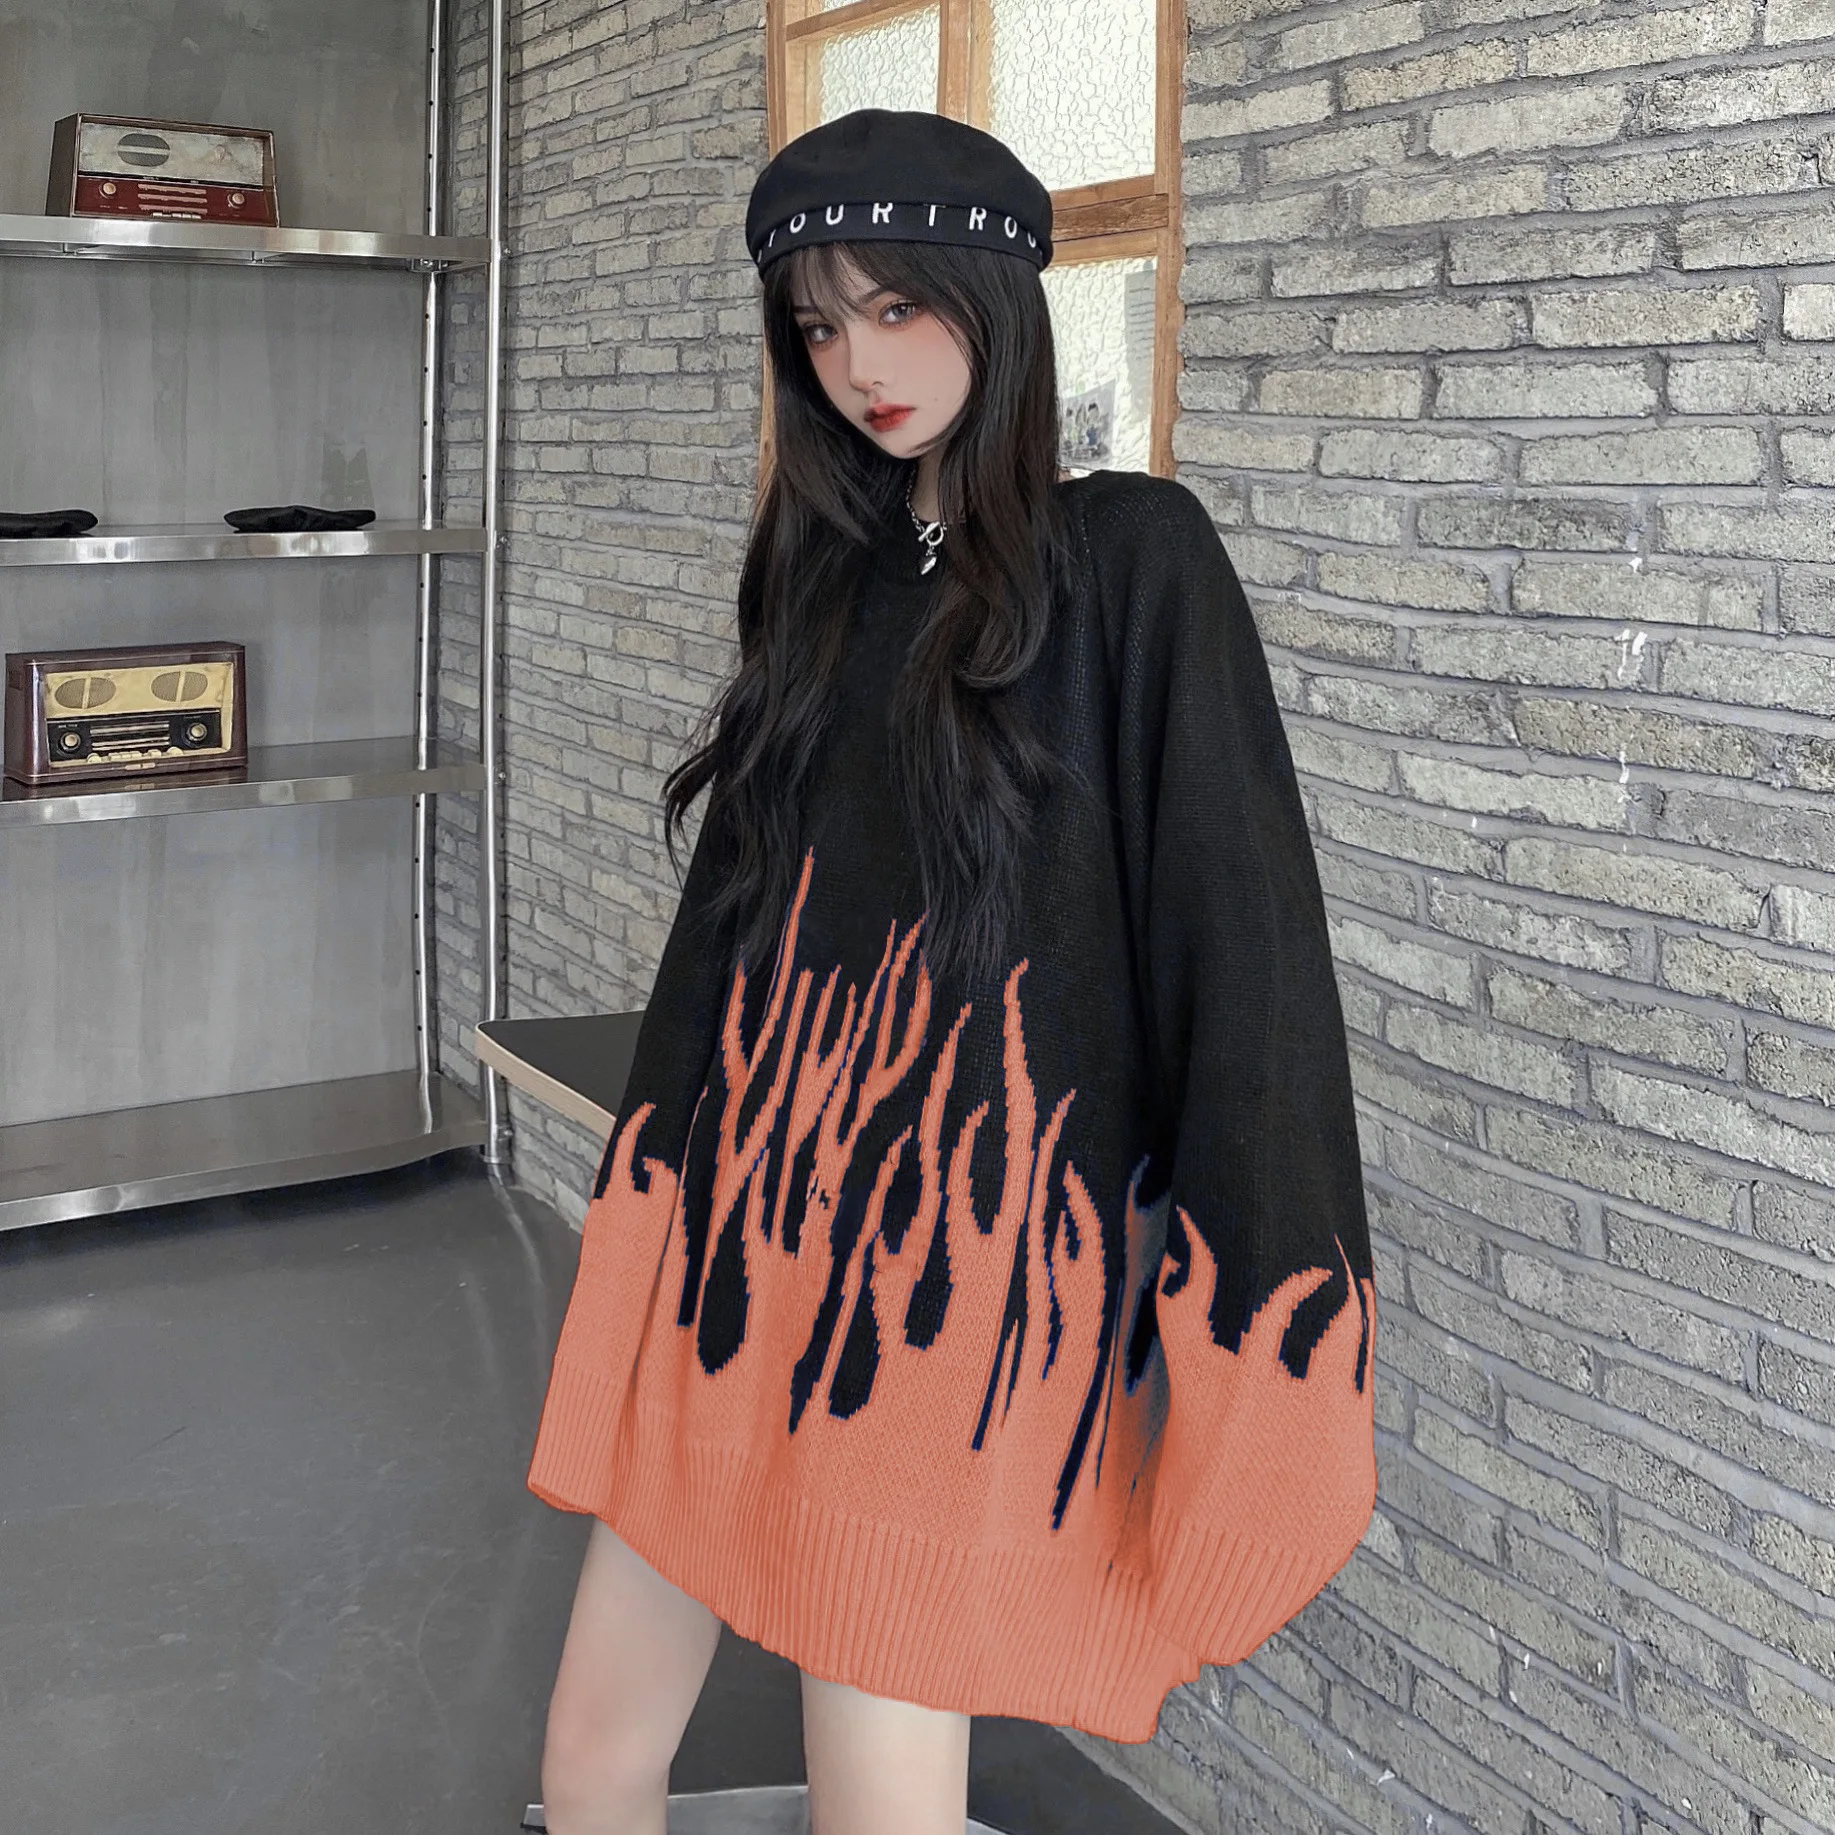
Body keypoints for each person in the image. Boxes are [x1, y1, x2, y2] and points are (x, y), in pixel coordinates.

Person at [526, 109, 1378, 1835]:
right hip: (739, 1256)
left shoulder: (1132, 559)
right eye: (818, 325)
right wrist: (644, 1229)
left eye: (897, 306)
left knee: (881, 1789)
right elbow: (723, 938)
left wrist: (1261, 1328)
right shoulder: (825, 584)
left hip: (935, 1302)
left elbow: (1244, 951)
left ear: (995, 303)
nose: (858, 365)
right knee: (591, 1754)